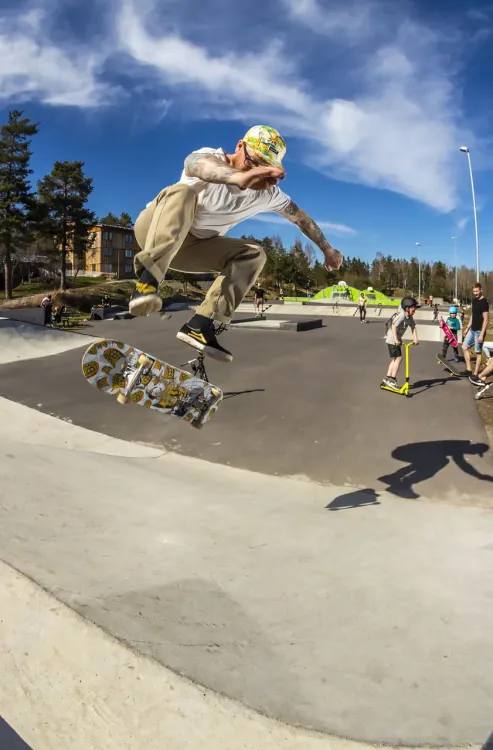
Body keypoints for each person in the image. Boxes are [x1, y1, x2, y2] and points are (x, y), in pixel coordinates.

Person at [128, 125, 343, 362]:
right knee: (182, 193)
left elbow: (300, 218)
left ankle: (201, 325)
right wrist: (239, 177)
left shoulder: (267, 193)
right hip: (154, 230)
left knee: (254, 254)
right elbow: (196, 164)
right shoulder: (212, 157)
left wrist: (327, 249)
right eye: (252, 162)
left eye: (262, 169)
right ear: (239, 146)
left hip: (191, 250)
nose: (255, 173)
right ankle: (146, 283)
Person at [382, 297, 419, 390]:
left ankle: (387, 378)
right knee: (399, 358)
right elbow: (394, 326)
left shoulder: (410, 317)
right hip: (392, 339)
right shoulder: (402, 315)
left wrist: (415, 338)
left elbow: (413, 327)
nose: (415, 309)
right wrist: (396, 339)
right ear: (407, 308)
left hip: (395, 339)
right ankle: (392, 380)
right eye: (413, 307)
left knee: (395, 359)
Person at [462, 283, 489, 385]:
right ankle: (469, 369)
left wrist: (482, 334)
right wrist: (468, 327)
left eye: (477, 291)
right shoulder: (474, 301)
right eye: (474, 291)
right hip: (472, 329)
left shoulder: (484, 302)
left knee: (478, 352)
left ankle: (476, 373)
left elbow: (486, 320)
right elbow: (473, 315)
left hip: (479, 331)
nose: (475, 293)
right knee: (464, 347)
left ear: (481, 290)